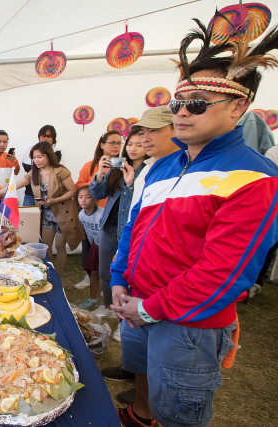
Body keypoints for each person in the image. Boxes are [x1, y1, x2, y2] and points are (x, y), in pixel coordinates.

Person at [110, 23, 278, 427]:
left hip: (188, 323)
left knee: (180, 413)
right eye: (178, 103)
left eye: (198, 104)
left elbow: (225, 273)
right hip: (136, 301)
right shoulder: (160, 166)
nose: (182, 112)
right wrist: (119, 279)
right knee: (145, 380)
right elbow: (132, 229)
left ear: (238, 107)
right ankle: (139, 415)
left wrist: (150, 308)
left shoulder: (255, 177)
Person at [100, 106, 179, 401]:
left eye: (153, 131)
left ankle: (146, 400)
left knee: (164, 359)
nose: (144, 139)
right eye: (140, 133)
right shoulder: (151, 168)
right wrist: (121, 272)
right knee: (135, 338)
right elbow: (134, 223)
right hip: (133, 270)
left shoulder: (180, 168)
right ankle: (135, 381)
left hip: (163, 289)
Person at [0, 142, 84, 274]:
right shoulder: (34, 173)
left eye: (40, 157)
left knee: (60, 245)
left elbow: (72, 191)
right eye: (34, 157)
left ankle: (58, 275)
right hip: (46, 214)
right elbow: (13, 186)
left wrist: (56, 200)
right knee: (46, 245)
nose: (36, 160)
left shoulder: (61, 171)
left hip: (63, 213)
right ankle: (48, 271)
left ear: (48, 156)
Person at [89, 129, 148, 318]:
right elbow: (98, 194)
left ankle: (126, 312)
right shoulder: (118, 167)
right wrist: (99, 173)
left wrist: (130, 185)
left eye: (139, 144)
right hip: (108, 228)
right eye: (130, 144)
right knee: (106, 270)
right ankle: (108, 306)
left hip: (132, 231)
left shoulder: (149, 171)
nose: (133, 149)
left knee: (128, 273)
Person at [75, 130, 122, 208]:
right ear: (102, 145)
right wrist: (95, 183)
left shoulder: (123, 167)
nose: (116, 146)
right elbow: (78, 186)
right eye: (112, 143)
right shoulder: (89, 165)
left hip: (113, 211)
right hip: (93, 210)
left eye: (119, 143)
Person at [77, 186, 103, 310]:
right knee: (93, 272)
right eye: (80, 197)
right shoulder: (81, 215)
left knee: (107, 273)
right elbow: (88, 233)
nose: (84, 200)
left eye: (88, 197)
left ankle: (109, 297)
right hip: (95, 244)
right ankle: (93, 299)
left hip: (107, 246)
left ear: (95, 200)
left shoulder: (101, 215)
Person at [21, 125, 60, 206]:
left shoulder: (58, 151)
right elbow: (26, 166)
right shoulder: (31, 148)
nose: (45, 138)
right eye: (43, 135)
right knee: (28, 218)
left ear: (53, 138)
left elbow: (54, 167)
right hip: (31, 194)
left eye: (48, 136)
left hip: (50, 196)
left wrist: (33, 161)